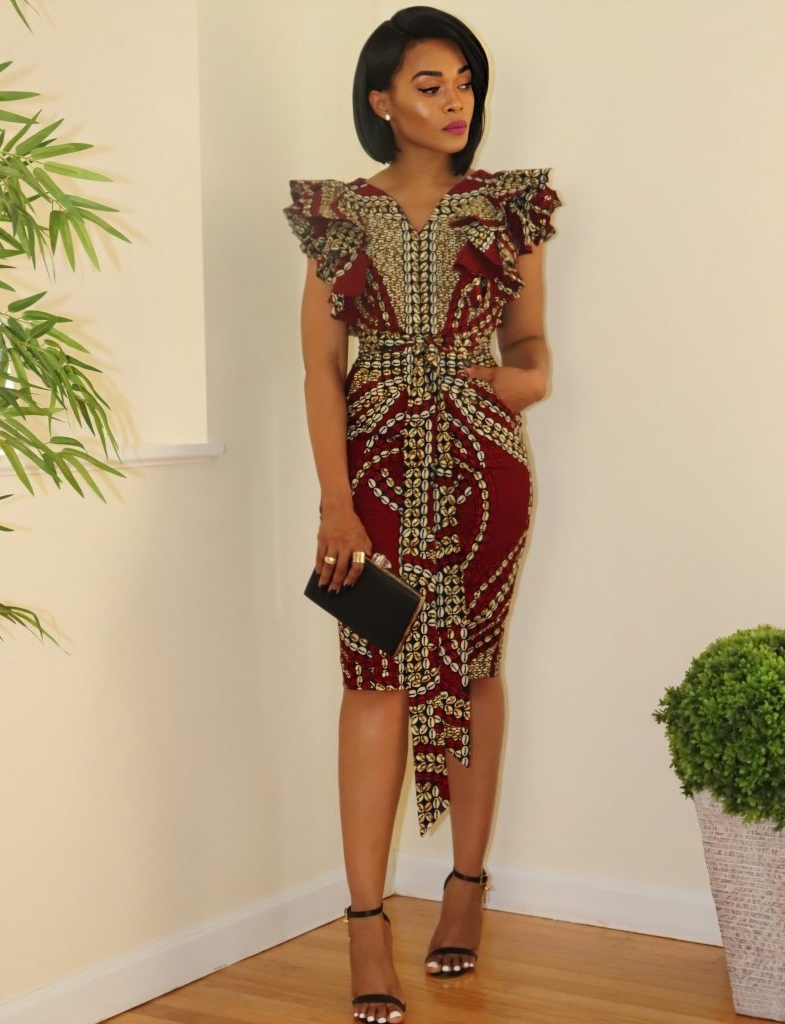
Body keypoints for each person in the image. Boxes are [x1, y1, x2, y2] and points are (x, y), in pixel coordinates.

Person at [283, 6, 562, 1021]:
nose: (455, 103)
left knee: (475, 666)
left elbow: (532, 349)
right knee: (373, 679)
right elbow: (321, 367)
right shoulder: (336, 216)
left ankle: (465, 891)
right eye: (431, 85)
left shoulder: (509, 208)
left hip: (487, 472)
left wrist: (519, 381)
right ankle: (365, 923)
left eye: (465, 84)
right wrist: (336, 502)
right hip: (372, 473)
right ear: (381, 100)